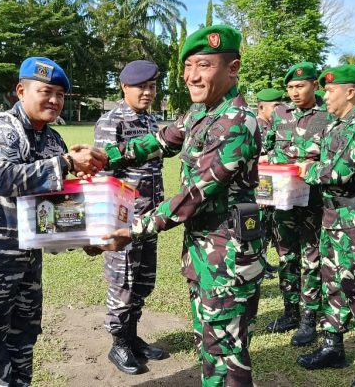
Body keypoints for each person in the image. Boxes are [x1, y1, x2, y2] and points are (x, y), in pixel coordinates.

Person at [99, 25, 265, 387]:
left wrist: (132, 231)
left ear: (232, 68)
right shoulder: (200, 113)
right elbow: (161, 140)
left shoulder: (235, 122)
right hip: (205, 254)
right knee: (210, 345)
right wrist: (104, 156)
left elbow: (194, 196)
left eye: (203, 65)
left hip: (228, 258)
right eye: (188, 66)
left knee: (227, 356)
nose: (192, 75)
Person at [0, 56, 107, 386]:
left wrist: (87, 239)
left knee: (23, 341)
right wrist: (65, 162)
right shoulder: (1, 129)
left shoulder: (53, 140)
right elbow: (4, 178)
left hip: (27, 261)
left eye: (60, 95)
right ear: (21, 91)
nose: (54, 100)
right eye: (46, 91)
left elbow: (59, 204)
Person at [294, 65, 355, 387]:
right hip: (333, 217)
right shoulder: (336, 125)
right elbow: (314, 154)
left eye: (330, 91)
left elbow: (336, 173)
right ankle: (333, 346)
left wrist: (307, 169)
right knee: (332, 283)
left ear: (350, 92)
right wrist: (311, 162)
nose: (325, 95)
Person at [93, 59, 166, 375]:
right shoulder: (113, 121)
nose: (147, 92)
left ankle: (133, 337)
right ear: (124, 87)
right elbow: (102, 170)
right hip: (123, 219)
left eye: (151, 86)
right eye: (141, 87)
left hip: (150, 218)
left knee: (143, 280)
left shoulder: (151, 121)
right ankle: (118, 343)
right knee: (122, 281)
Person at [263, 62, 329, 347]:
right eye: (290, 87)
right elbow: (268, 146)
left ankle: (309, 319)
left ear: (315, 85)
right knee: (286, 256)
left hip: (314, 199)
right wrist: (270, 157)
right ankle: (291, 311)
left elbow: (321, 153)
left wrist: (284, 156)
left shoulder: (327, 115)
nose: (294, 92)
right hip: (283, 198)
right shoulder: (280, 114)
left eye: (300, 86)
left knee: (311, 258)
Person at [255, 88, 285, 280]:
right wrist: (262, 193)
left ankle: (263, 262)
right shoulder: (255, 127)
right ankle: (258, 265)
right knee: (258, 228)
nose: (278, 110)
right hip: (261, 186)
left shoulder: (273, 127)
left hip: (272, 186)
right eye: (275, 106)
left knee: (267, 227)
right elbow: (255, 162)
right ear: (261, 107)